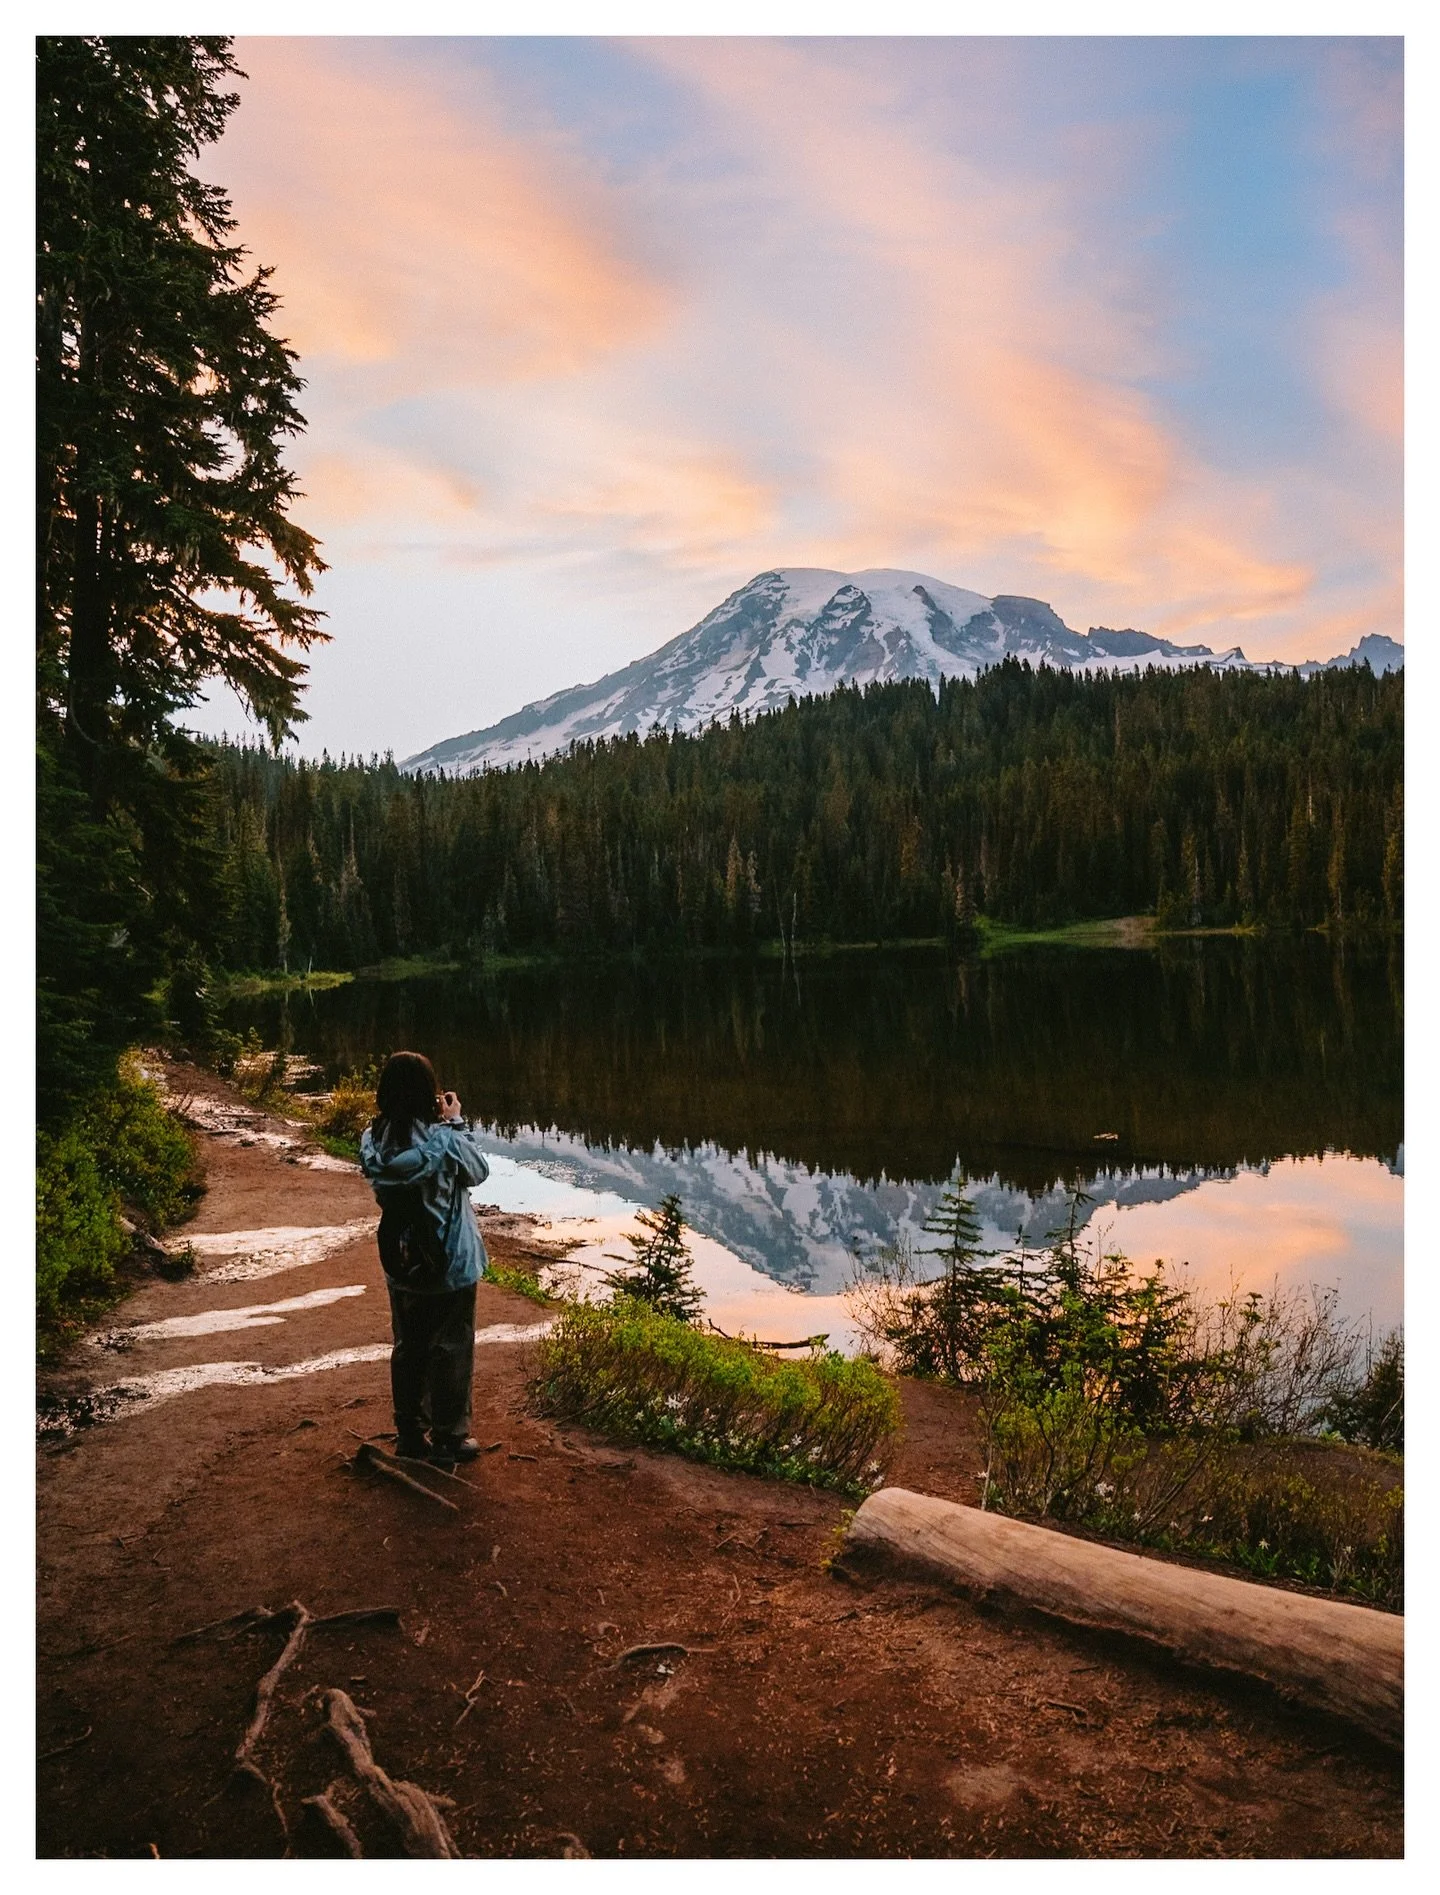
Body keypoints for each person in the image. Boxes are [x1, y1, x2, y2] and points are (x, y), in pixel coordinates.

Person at [359, 1050, 491, 1468]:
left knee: (408, 1346)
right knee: (451, 1347)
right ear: (428, 1094)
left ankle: (410, 1434)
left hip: (402, 1260)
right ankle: (449, 1438)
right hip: (450, 1263)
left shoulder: (371, 1142)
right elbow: (479, 1171)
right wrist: (455, 1121)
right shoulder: (446, 1141)